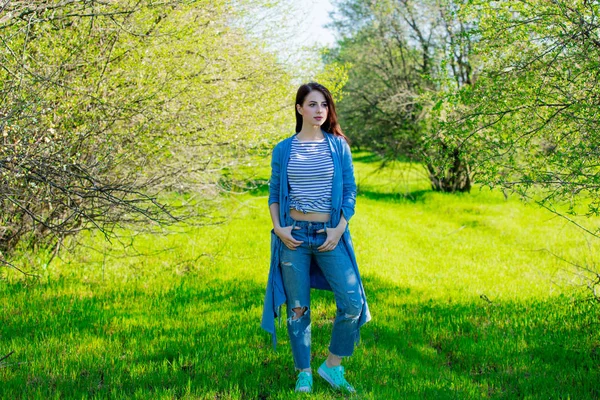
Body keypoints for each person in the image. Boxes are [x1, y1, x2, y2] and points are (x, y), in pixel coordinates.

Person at [261, 82, 371, 393]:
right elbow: (274, 193)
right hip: (293, 235)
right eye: (311, 104)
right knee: (298, 308)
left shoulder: (338, 146)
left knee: (352, 303)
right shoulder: (285, 148)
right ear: (299, 109)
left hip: (329, 235)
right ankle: (304, 373)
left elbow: (349, 191)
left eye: (323, 105)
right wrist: (278, 227)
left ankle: (332, 366)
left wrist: (339, 227)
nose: (318, 110)